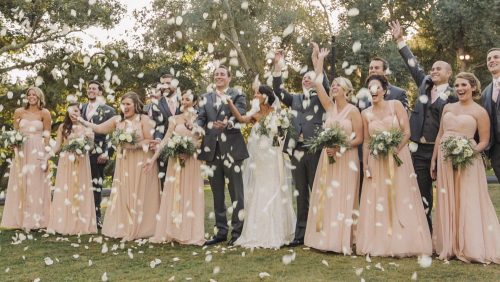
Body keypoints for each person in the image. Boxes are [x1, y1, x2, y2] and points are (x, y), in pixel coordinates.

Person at [390, 20, 457, 232]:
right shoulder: (424, 85)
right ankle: (426, 234)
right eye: (432, 68)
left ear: (448, 73)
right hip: (418, 149)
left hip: (443, 149)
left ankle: (448, 234)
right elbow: (413, 65)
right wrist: (400, 40)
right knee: (422, 194)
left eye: (438, 69)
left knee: (447, 193)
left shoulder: (455, 95)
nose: (433, 71)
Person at [356, 75, 432, 257]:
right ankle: (379, 240)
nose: (373, 91)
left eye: (376, 87)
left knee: (401, 194)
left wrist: (394, 150)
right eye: (370, 88)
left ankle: (406, 239)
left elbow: (407, 132)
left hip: (398, 159)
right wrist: (366, 163)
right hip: (376, 160)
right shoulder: (365, 113)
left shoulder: (396, 106)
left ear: (384, 90)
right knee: (378, 197)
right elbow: (366, 141)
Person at [431, 72, 500, 263]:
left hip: (468, 160)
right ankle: (449, 244)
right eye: (457, 85)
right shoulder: (447, 107)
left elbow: (484, 141)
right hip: (445, 160)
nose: (460, 89)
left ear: (473, 88)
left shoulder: (480, 112)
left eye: (464, 85)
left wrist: (467, 152)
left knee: (467, 199)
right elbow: (440, 135)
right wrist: (434, 160)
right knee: (448, 199)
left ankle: (470, 244)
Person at [77, 92, 161, 241]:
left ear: (136, 105)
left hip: (141, 161)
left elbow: (150, 141)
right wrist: (80, 120)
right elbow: (98, 128)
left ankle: (142, 227)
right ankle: (124, 226)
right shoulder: (117, 120)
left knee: (140, 192)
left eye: (128, 104)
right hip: (124, 162)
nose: (125, 107)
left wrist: (134, 145)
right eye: (123, 104)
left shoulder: (144, 119)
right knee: (125, 192)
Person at [304, 47, 363, 254]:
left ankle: (344, 239)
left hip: (347, 158)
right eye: (334, 84)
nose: (334, 87)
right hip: (327, 158)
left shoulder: (354, 110)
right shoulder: (329, 107)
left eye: (338, 84)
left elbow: (360, 137)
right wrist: (319, 61)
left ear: (346, 90)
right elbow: (319, 83)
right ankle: (325, 237)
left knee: (344, 196)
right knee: (327, 196)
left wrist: (341, 146)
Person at [272, 46, 330, 247]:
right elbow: (278, 91)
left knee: (317, 191)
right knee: (301, 193)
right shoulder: (294, 99)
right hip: (296, 150)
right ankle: (301, 235)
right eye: (304, 78)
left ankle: (321, 231)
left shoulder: (322, 98)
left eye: (310, 77)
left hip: (315, 149)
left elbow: (324, 82)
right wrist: (278, 66)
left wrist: (318, 62)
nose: (306, 79)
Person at [227, 85, 296, 249]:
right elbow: (242, 119)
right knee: (259, 187)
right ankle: (256, 231)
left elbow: (282, 133)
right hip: (259, 157)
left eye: (258, 92)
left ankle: (278, 230)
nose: (255, 95)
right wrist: (230, 103)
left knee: (273, 187)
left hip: (273, 156)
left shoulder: (277, 112)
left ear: (266, 95)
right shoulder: (255, 113)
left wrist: (279, 134)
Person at [196, 65, 249, 246]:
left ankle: (237, 232)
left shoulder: (237, 94)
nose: (218, 76)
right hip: (212, 149)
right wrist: (196, 126)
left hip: (233, 149)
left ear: (229, 77)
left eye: (222, 74)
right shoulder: (205, 97)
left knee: (236, 193)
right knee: (217, 194)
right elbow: (201, 117)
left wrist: (228, 123)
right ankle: (220, 232)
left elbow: (241, 113)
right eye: (216, 74)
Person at [145, 91, 205, 246]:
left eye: (188, 98)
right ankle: (174, 231)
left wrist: (189, 151)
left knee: (190, 194)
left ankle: (190, 232)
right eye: (182, 98)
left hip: (192, 162)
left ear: (195, 101)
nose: (184, 101)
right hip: (175, 162)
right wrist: (153, 160)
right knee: (175, 194)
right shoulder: (173, 119)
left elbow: (201, 141)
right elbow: (165, 140)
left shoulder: (200, 118)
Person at [1, 86, 52, 231]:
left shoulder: (45, 113)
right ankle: (19, 219)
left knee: (36, 183)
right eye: (29, 94)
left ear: (39, 96)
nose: (31, 97)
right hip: (22, 151)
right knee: (20, 181)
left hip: (37, 149)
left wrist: (46, 157)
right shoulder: (19, 112)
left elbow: (47, 136)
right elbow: (15, 133)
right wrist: (13, 144)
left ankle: (37, 220)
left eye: (34, 94)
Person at [47, 103, 97, 235]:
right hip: (66, 162)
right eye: (71, 111)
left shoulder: (87, 127)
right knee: (66, 190)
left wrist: (84, 147)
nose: (73, 114)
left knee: (81, 190)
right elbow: (57, 146)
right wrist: (46, 156)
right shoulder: (63, 127)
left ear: (81, 113)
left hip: (82, 162)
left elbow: (91, 147)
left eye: (76, 111)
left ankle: (81, 223)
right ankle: (64, 223)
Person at [81, 80, 116, 228]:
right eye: (89, 88)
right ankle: (81, 217)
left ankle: (96, 218)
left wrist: (107, 152)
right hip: (81, 152)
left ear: (100, 92)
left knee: (96, 185)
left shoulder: (109, 110)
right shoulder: (80, 108)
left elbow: (113, 135)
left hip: (99, 153)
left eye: (94, 88)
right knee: (81, 184)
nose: (91, 90)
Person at [151, 74, 181, 189]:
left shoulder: (184, 100)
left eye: (168, 83)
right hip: (164, 149)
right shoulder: (156, 105)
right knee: (165, 184)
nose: (165, 86)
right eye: (163, 84)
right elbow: (158, 126)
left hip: (184, 149)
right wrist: (158, 140)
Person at [480, 48, 500, 182]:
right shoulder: (485, 92)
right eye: (489, 59)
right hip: (496, 150)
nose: (492, 60)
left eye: (496, 57)